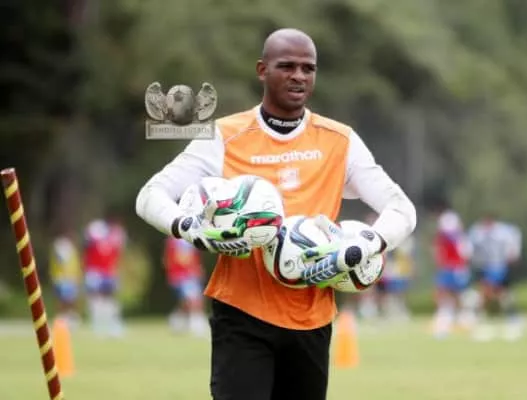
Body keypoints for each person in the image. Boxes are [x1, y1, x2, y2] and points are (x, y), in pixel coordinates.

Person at [136, 28, 416, 400]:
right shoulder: (223, 136)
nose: (299, 75)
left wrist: (367, 244)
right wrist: (189, 228)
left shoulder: (340, 140)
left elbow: (401, 209)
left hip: (312, 316)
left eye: (308, 68)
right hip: (241, 314)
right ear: (262, 70)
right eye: (287, 66)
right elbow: (150, 195)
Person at [468, 213, 523, 339]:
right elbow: (472, 249)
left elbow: (512, 246)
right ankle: (512, 320)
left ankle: (481, 321)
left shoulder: (503, 232)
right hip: (486, 268)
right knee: (497, 295)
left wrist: (513, 256)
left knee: (490, 294)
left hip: (499, 267)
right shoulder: (478, 232)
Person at [83, 208, 127, 337]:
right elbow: (87, 245)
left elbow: (117, 253)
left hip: (109, 271)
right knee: (96, 297)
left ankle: (112, 324)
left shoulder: (118, 234)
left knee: (110, 298)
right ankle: (97, 324)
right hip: (95, 271)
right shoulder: (95, 230)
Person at [431, 205, 473, 338]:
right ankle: (448, 318)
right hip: (450, 268)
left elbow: (465, 254)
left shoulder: (456, 238)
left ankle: (462, 318)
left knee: (456, 294)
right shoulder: (447, 238)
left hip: (456, 268)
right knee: (445, 294)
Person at [163, 236, 209, 336]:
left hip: (190, 275)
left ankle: (176, 321)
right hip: (181, 276)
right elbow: (172, 259)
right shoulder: (174, 241)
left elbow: (194, 257)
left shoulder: (191, 237)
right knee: (192, 300)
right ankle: (196, 325)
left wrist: (197, 269)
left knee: (189, 301)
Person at [48, 229, 82, 328]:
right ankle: (61, 317)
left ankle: (70, 316)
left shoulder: (71, 248)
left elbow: (74, 264)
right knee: (62, 299)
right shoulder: (60, 247)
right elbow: (60, 262)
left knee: (71, 299)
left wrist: (77, 276)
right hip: (61, 278)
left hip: (71, 278)